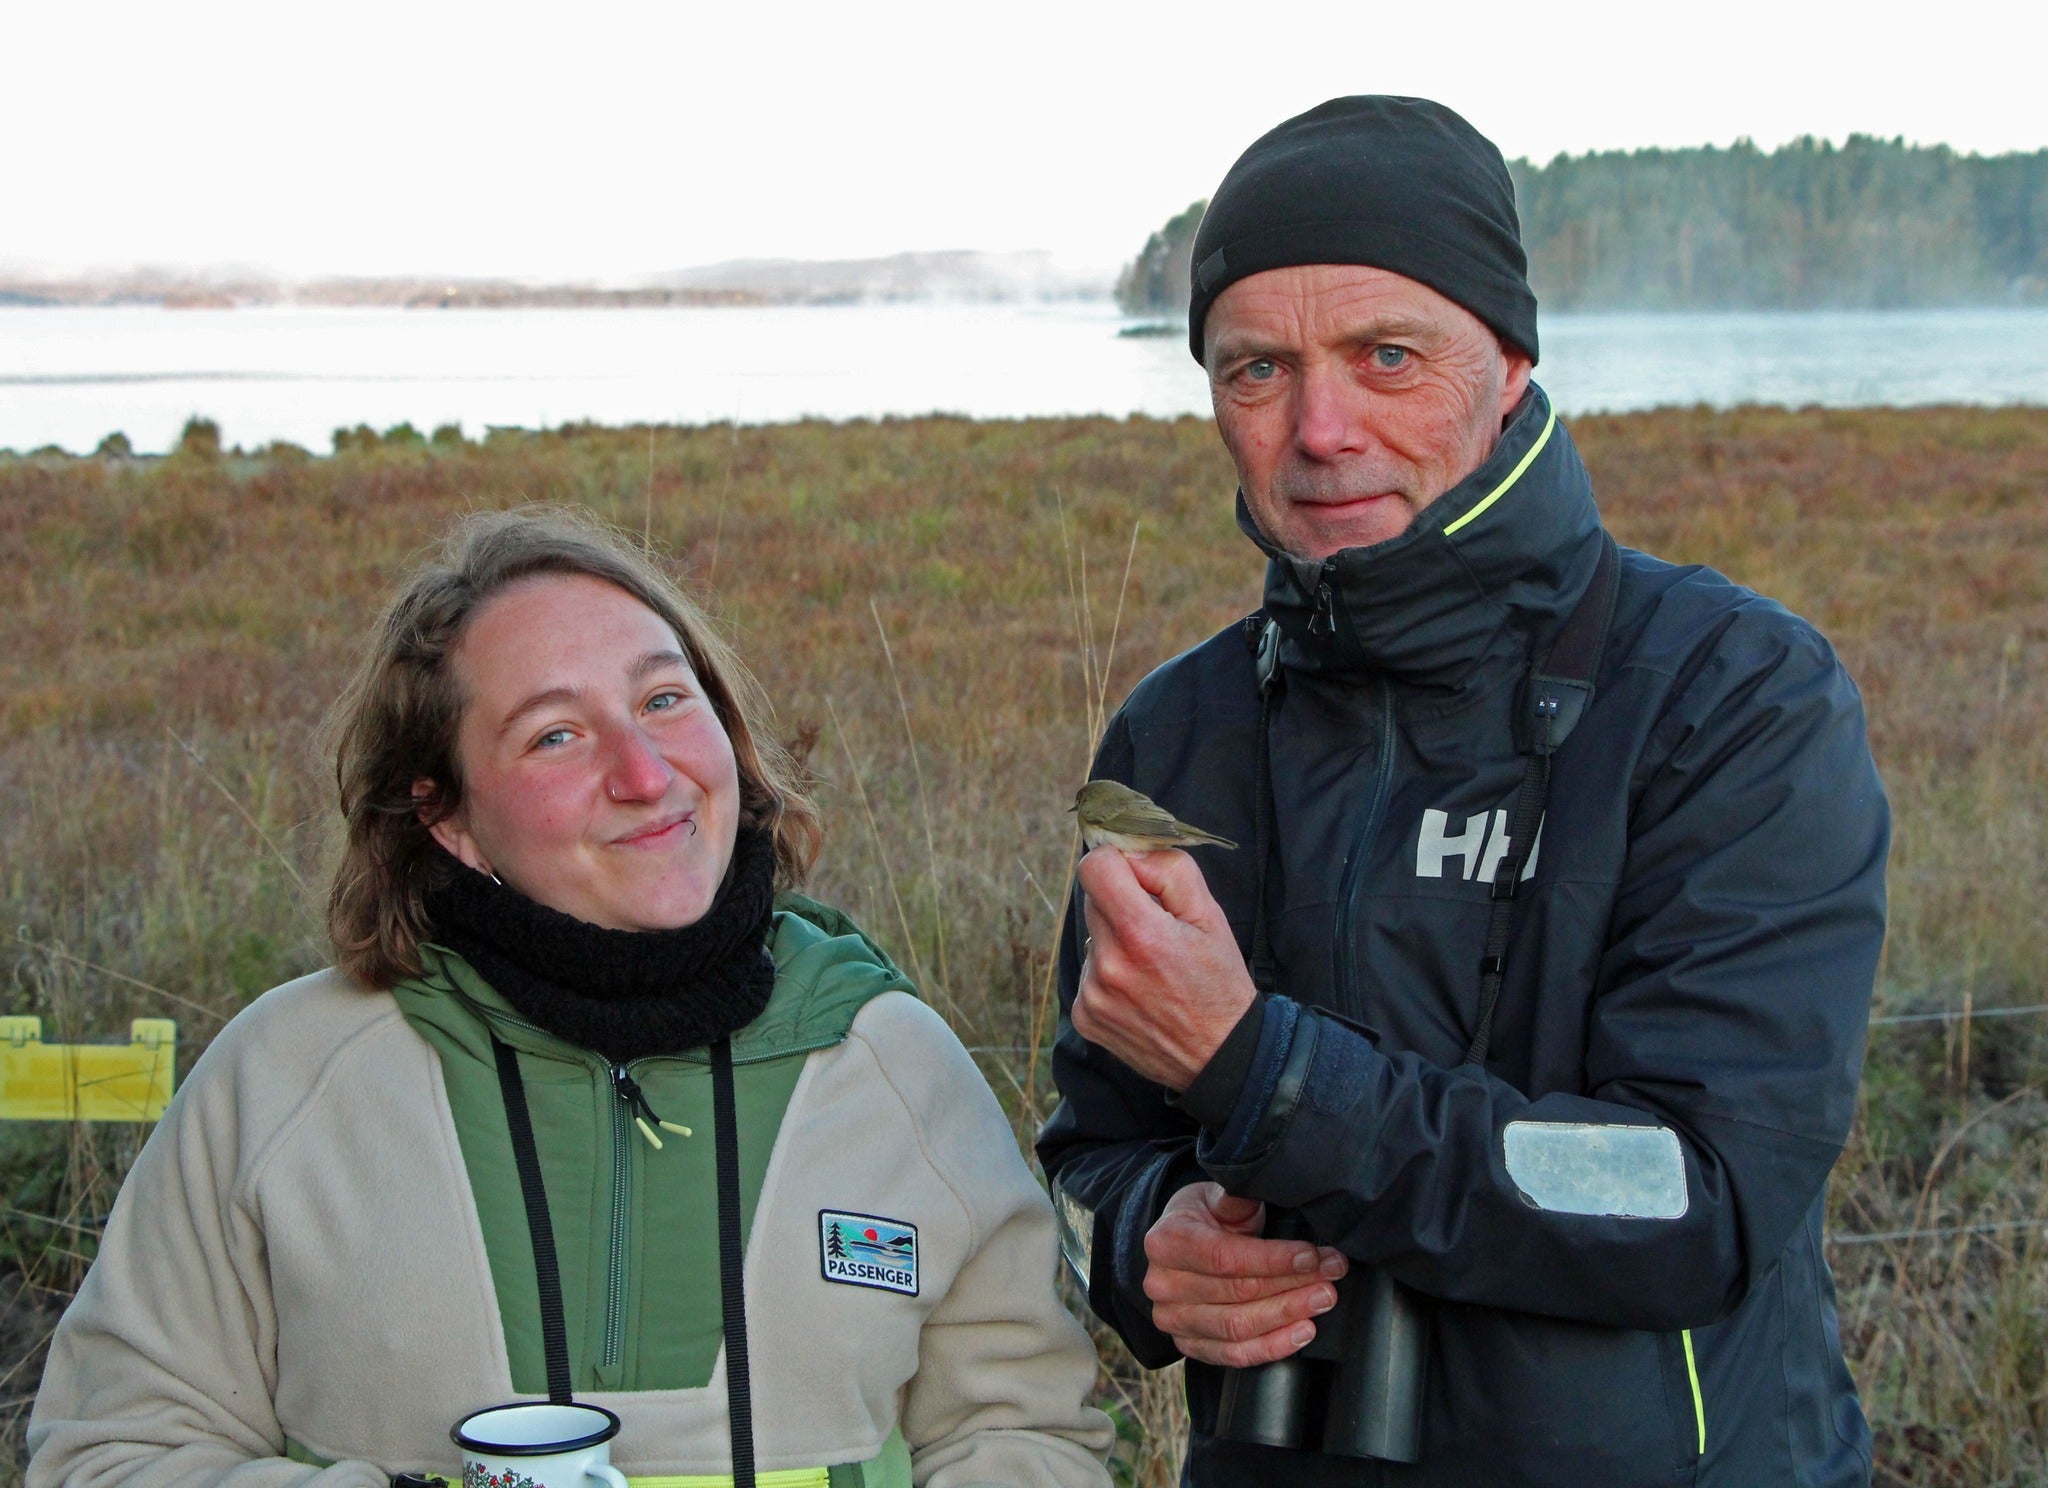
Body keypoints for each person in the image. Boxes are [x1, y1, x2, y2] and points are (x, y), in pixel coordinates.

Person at [1038, 96, 1887, 1487]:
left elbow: (1698, 1196)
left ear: (1506, 361)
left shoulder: (1733, 693)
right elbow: (1085, 1158)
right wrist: (1149, 1245)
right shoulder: (1173, 736)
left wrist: (1266, 1076)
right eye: (1256, 369)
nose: (1321, 429)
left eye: (1387, 356)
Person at [30, 508, 1113, 1488]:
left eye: (662, 700)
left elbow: (1025, 1437)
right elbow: (114, 1450)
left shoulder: (890, 1064)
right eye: (555, 733)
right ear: (445, 816)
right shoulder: (287, 1081)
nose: (646, 775)